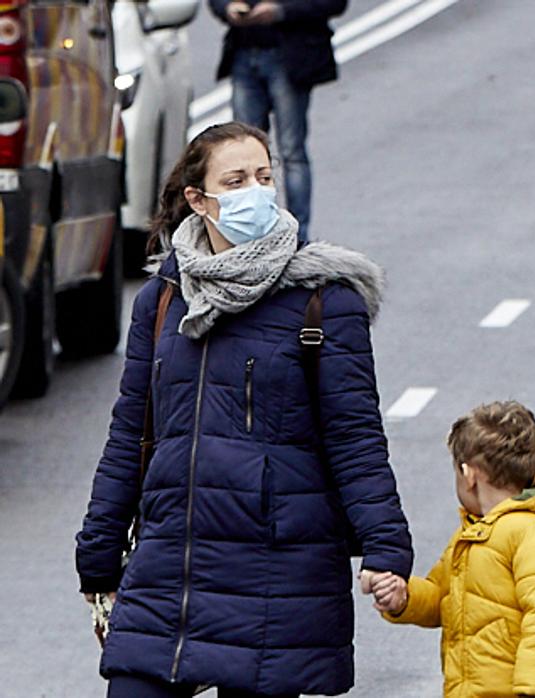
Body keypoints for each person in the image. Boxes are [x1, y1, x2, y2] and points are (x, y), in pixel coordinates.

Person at [75, 122, 413, 697]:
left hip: (272, 580)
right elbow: (132, 430)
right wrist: (99, 551)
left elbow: (355, 437)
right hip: (170, 570)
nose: (254, 190)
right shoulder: (161, 300)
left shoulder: (321, 301)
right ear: (198, 200)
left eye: (263, 177)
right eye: (235, 181)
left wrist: (387, 549)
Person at [364, 401, 535, 698]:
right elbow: (442, 597)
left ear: (468, 474)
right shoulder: (477, 534)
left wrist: (534, 691)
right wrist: (404, 597)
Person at [208, 0, 347, 241]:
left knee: (292, 151)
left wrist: (281, 11)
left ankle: (297, 236)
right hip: (244, 53)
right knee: (242, 154)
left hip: (289, 56)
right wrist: (229, 8)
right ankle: (251, 234)